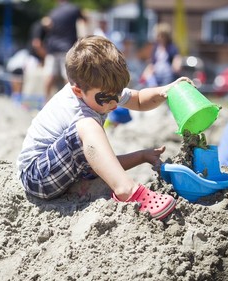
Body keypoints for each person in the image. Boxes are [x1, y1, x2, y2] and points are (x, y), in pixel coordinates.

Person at [17, 35, 194, 220]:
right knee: (87, 126)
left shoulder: (102, 89)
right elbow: (96, 163)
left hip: (63, 173)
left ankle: (123, 188)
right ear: (78, 91)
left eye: (117, 94)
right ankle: (128, 190)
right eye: (106, 98)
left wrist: (166, 91)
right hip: (37, 176)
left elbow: (140, 100)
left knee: (92, 138)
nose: (114, 103)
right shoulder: (77, 112)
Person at [43, 0, 87, 102]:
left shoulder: (53, 11)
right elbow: (84, 20)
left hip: (52, 47)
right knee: (68, 76)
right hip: (67, 47)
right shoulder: (74, 9)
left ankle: (45, 101)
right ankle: (71, 100)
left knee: (50, 75)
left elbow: (46, 23)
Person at [140, 23, 182, 87]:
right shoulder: (156, 47)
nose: (159, 38)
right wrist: (146, 72)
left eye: (161, 36)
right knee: (151, 83)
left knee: (165, 88)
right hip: (156, 73)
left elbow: (176, 59)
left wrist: (176, 66)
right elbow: (153, 62)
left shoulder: (172, 47)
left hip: (167, 74)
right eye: (158, 35)